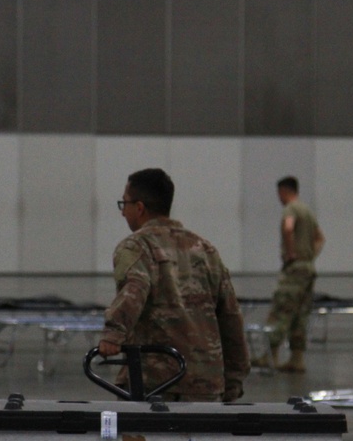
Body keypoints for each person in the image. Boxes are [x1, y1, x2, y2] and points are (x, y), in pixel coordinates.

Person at [98, 168, 250, 402]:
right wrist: (234, 377)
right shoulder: (204, 248)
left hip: (155, 382)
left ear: (139, 208)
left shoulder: (136, 246)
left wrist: (112, 334)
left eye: (124, 204)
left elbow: (134, 289)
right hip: (205, 384)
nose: (122, 212)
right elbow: (230, 314)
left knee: (149, 440)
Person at [254, 176, 325, 373]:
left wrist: (292, 253)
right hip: (308, 269)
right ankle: (297, 359)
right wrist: (309, 257)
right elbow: (320, 238)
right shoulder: (307, 210)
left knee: (281, 310)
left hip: (294, 270)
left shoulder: (291, 209)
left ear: (284, 191)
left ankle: (271, 355)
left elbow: (288, 228)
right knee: (300, 314)